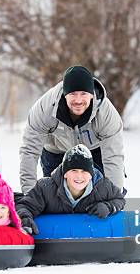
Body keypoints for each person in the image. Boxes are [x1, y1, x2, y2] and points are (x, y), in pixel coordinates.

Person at [19, 65, 125, 194]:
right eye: (73, 94)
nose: (78, 100)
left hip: (94, 151)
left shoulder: (106, 114)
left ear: (91, 95)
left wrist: (114, 198)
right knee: (53, 196)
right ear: (65, 94)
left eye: (84, 94)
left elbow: (113, 157)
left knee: (100, 194)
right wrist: (29, 194)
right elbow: (29, 151)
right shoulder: (44, 109)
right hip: (56, 151)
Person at [16, 144, 126, 235]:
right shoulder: (46, 188)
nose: (79, 176)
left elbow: (120, 200)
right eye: (74, 170)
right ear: (65, 174)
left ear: (91, 175)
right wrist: (25, 219)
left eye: (84, 171)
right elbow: (25, 205)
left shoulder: (103, 187)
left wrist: (108, 207)